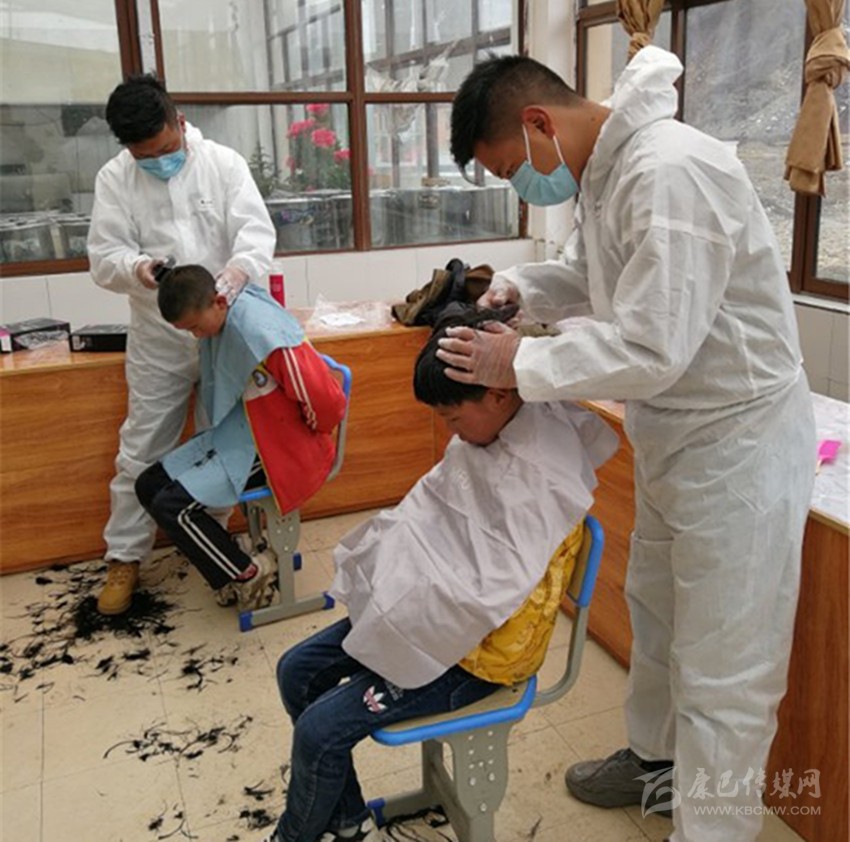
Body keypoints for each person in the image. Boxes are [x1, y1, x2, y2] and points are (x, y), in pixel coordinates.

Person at [438, 49, 817, 842]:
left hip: (738, 445)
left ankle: (711, 831)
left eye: (511, 170)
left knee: (725, 666)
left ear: (538, 123)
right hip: (675, 434)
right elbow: (593, 273)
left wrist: (517, 361)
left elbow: (652, 345)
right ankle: (654, 763)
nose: (522, 187)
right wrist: (520, 291)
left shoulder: (669, 172)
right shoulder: (608, 173)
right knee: (660, 616)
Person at [261, 310, 618, 842]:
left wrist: (402, 598)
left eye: (451, 418)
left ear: (498, 393)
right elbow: (433, 515)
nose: (450, 432)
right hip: (441, 620)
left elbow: (485, 592)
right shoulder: (492, 426)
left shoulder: (539, 473)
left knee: (319, 732)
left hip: (483, 655)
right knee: (296, 670)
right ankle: (346, 822)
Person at [87, 74, 276, 615]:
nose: (157, 161)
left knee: (223, 443)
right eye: (144, 156)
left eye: (165, 148)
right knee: (141, 449)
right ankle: (124, 557)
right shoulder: (115, 178)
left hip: (224, 335)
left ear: (180, 121)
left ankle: (210, 544)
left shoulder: (223, 164)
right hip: (159, 340)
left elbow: (256, 233)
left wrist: (238, 271)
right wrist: (137, 268)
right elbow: (103, 257)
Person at [135, 265, 347, 609]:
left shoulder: (263, 334)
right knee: (148, 485)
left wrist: (305, 434)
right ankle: (230, 566)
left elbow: (327, 402)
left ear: (219, 302)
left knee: (173, 508)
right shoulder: (223, 316)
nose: (195, 337)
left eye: (195, 327)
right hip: (242, 435)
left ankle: (249, 574)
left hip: (284, 448)